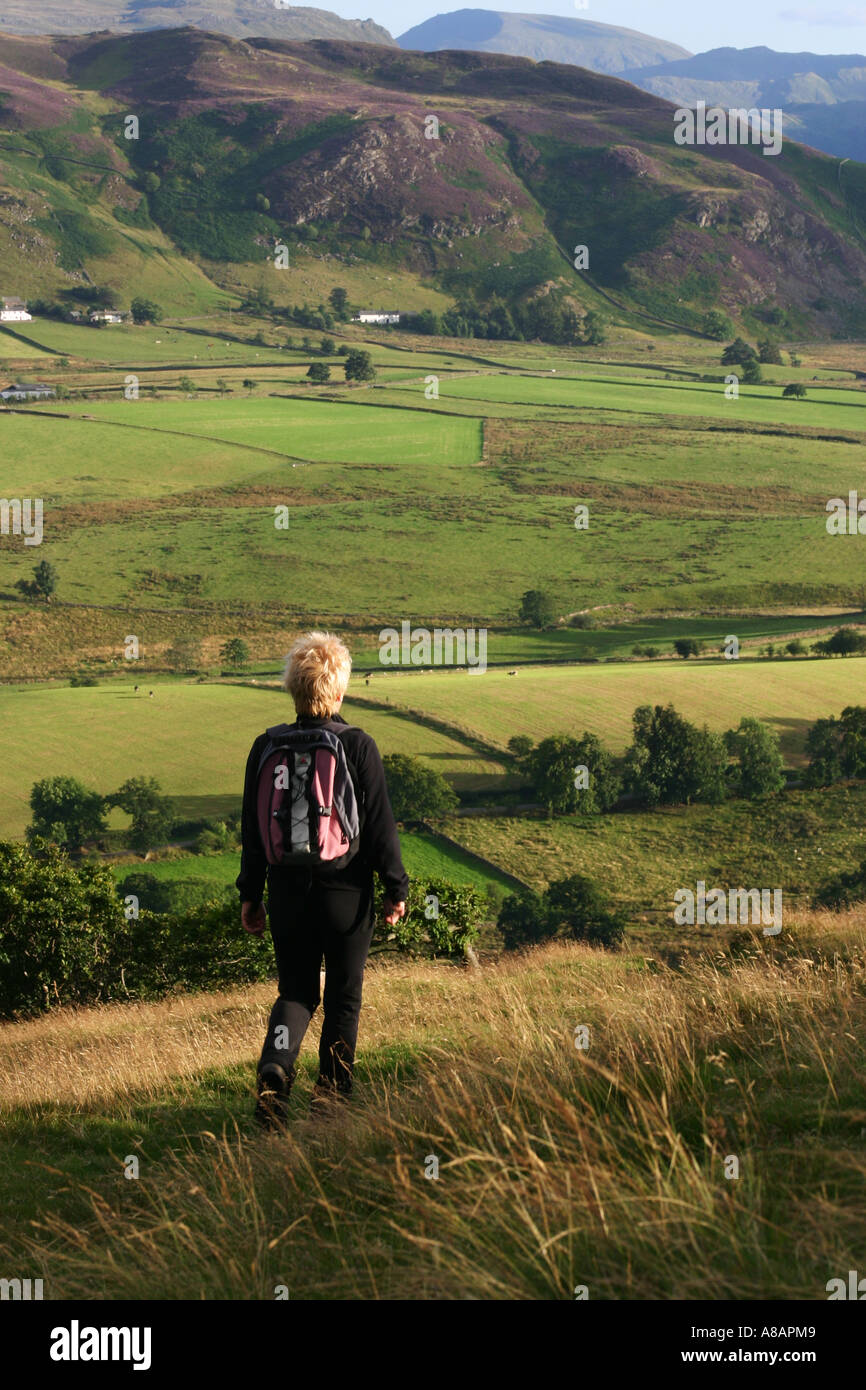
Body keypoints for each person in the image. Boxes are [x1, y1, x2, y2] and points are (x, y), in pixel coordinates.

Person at [236, 631, 408, 1128]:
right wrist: (396, 888)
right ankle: (329, 1108)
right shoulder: (357, 744)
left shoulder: (265, 746)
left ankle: (276, 1066)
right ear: (338, 691)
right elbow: (379, 827)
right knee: (343, 998)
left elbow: (252, 828)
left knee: (295, 992)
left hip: (287, 894)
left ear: (293, 688)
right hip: (346, 894)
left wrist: (251, 894)